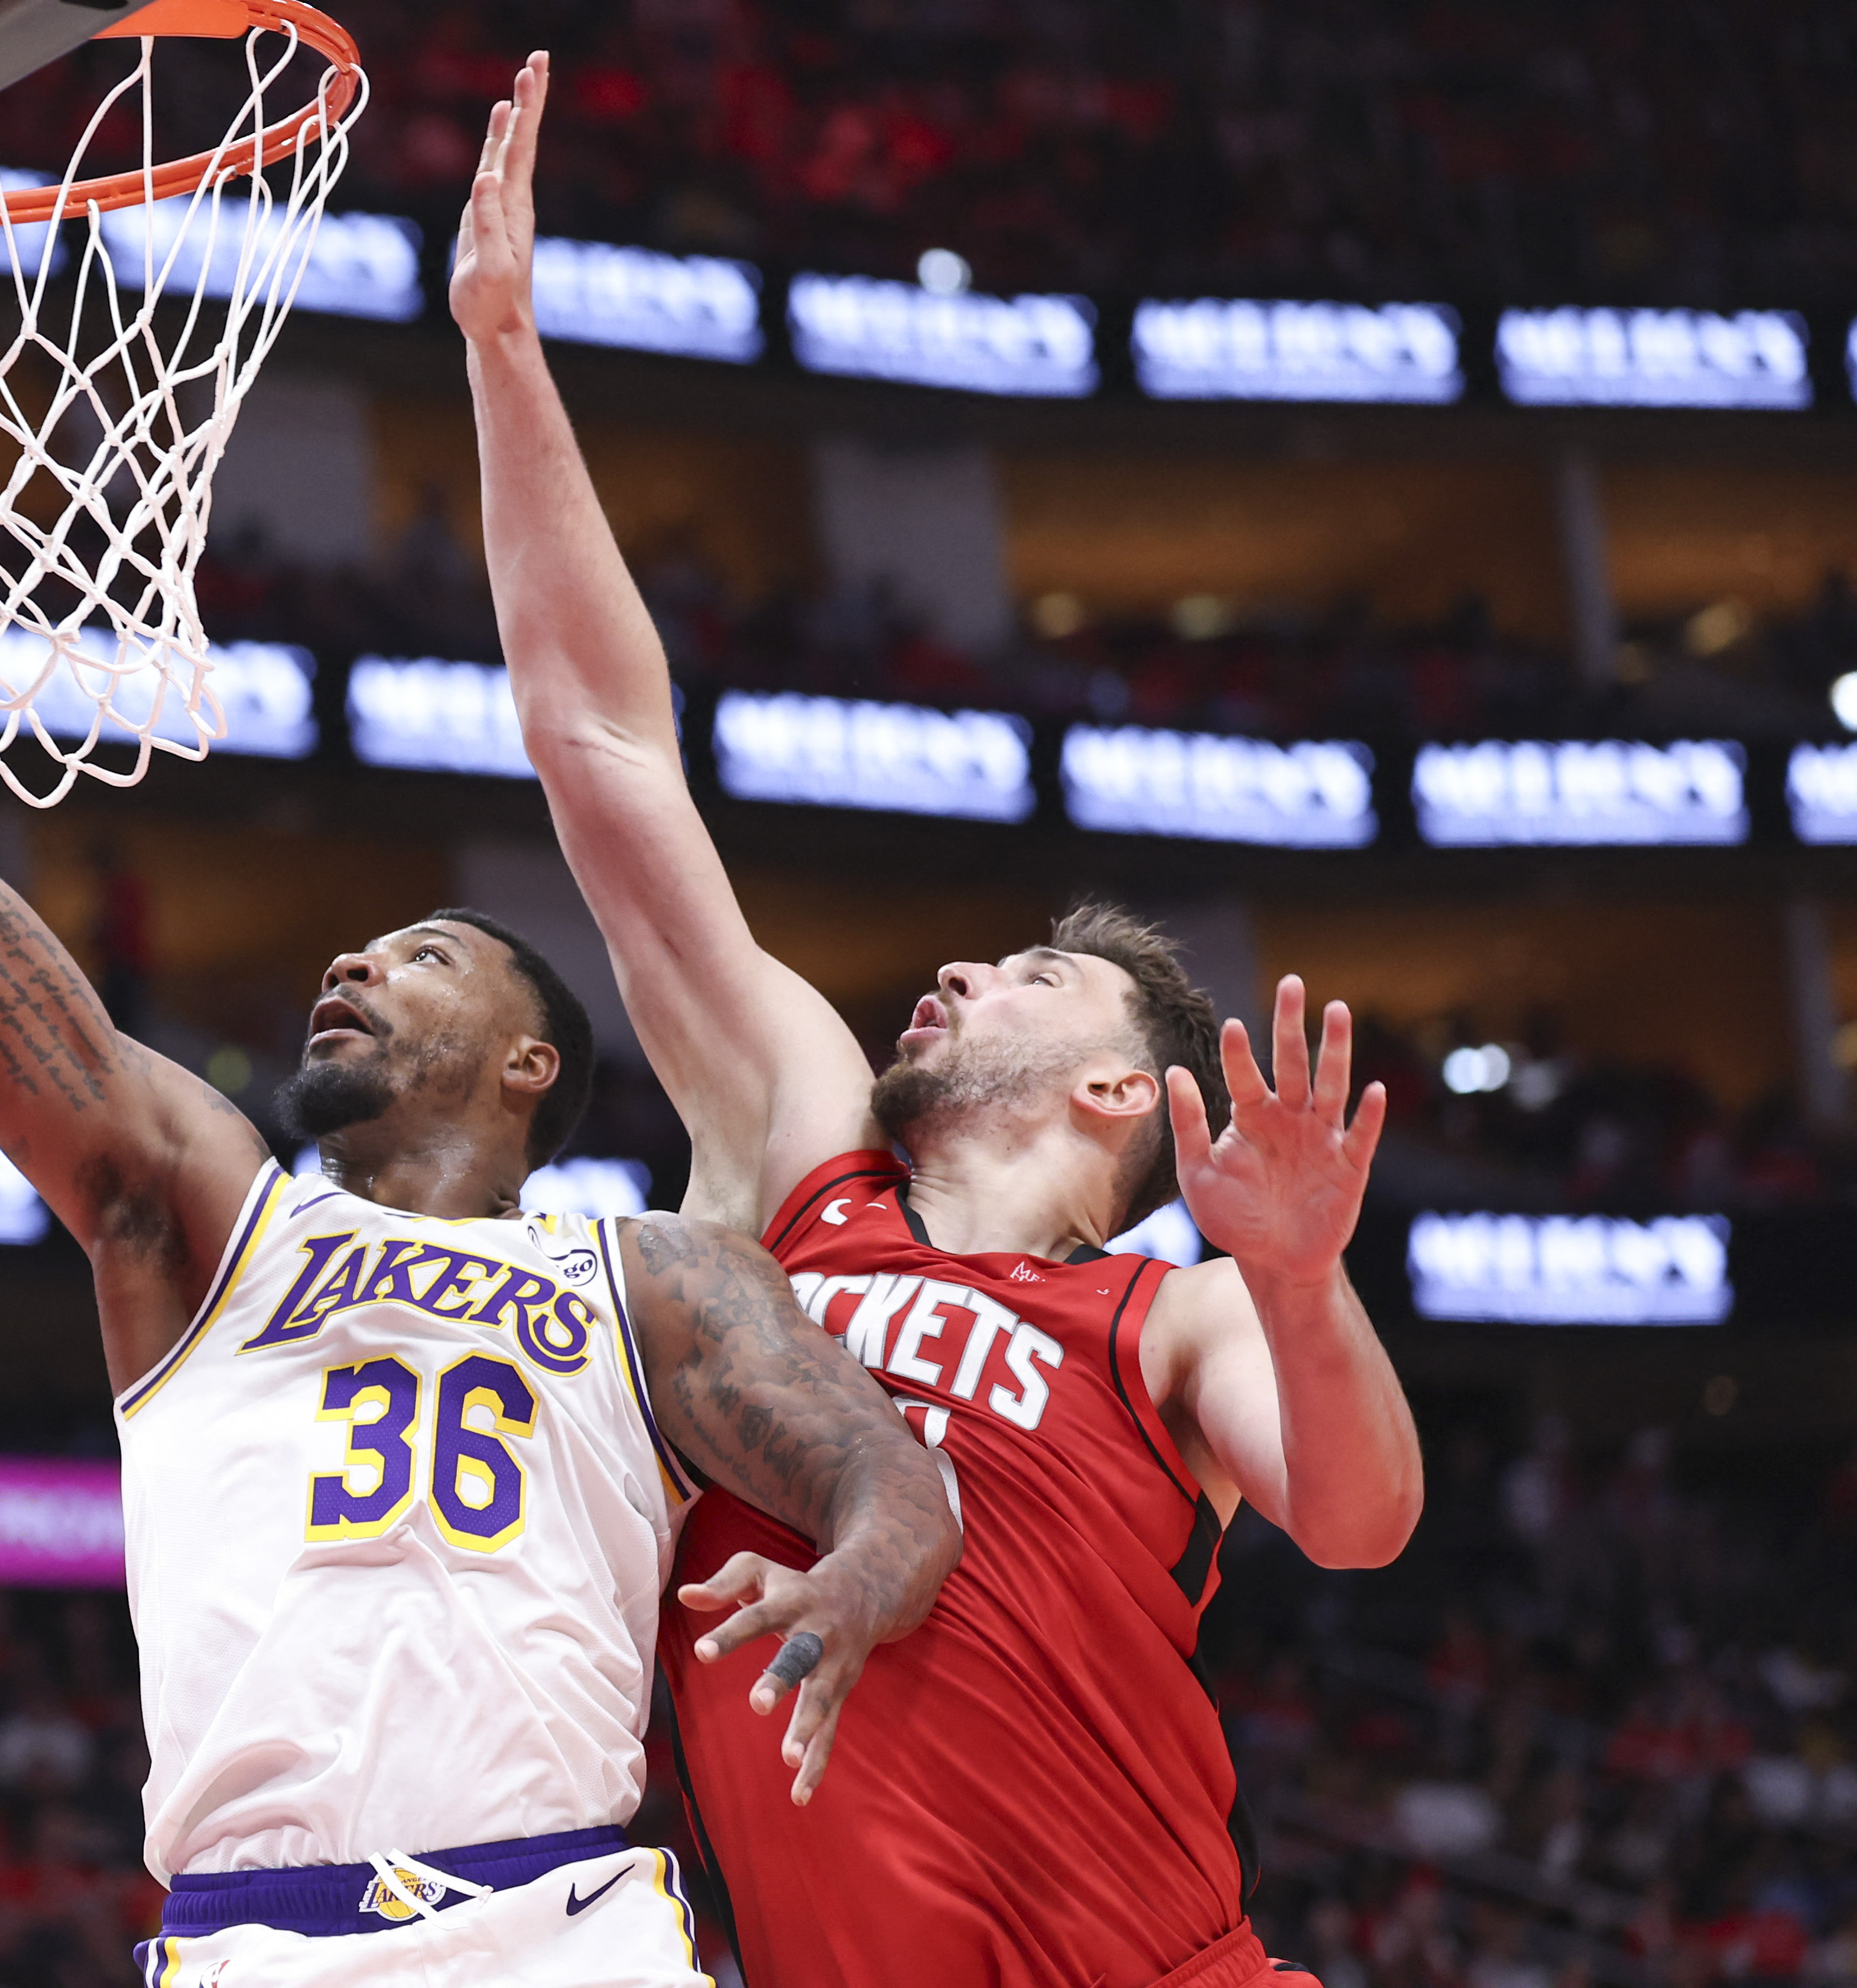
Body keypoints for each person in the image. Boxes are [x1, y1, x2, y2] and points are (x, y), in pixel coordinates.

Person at [0, 354, 963, 1985]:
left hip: (560, 1928)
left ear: (532, 1064)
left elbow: (890, 1478)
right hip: (255, 1941)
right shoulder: (207, 1216)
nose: (352, 962)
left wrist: (858, 1580)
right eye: (358, 952)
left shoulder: (650, 1273)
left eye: (424, 954)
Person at [451, 54, 1427, 1988]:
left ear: (1119, 1086)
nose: (965, 974)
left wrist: (1307, 1283)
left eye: (1030, 973)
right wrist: (502, 355)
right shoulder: (811, 1183)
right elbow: (603, 752)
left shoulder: (1170, 1315)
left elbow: (1360, 1518)